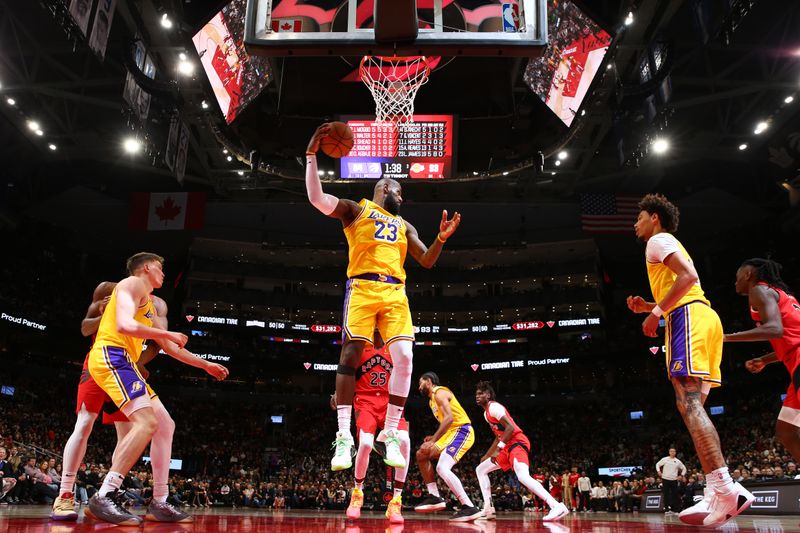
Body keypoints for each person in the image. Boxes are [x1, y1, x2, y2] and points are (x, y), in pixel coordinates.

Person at [305, 124, 461, 472]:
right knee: (351, 352)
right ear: (386, 188)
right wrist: (311, 156)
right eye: (400, 192)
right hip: (361, 287)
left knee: (404, 354)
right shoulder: (356, 209)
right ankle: (344, 435)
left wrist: (442, 238)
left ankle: (390, 431)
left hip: (395, 291)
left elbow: (427, 259)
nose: (402, 198)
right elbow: (318, 200)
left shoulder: (406, 226)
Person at [628, 194, 753, 526]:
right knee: (691, 405)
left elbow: (689, 278)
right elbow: (681, 284)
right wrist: (648, 305)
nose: (635, 224)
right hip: (702, 318)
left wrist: (654, 313)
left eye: (639, 217)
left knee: (690, 403)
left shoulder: (658, 240)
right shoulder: (664, 243)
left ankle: (727, 489)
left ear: (654, 217)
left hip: (688, 319)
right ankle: (715, 490)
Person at [85, 252, 229, 525]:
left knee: (165, 425)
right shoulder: (132, 284)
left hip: (125, 361)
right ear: (148, 268)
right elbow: (124, 325)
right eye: (161, 268)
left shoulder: (148, 303)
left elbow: (170, 347)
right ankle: (105, 494)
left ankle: (160, 502)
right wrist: (165, 334)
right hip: (111, 356)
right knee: (147, 422)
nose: (164, 273)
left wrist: (205, 364)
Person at [725, 258, 800, 460]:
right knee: (787, 431)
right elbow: (790, 339)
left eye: (737, 277)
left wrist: (726, 337)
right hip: (795, 364)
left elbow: (775, 330)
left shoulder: (759, 290)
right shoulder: (782, 295)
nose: (735, 282)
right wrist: (765, 360)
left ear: (748, 274)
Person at [337, 330, 411, 524]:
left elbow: (404, 376)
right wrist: (335, 394)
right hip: (365, 403)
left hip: (389, 403)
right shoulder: (361, 346)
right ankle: (357, 493)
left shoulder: (394, 348)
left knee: (405, 441)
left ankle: (396, 501)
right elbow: (346, 372)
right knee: (366, 445)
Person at [473, 381, 568, 521]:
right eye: (476, 394)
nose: (477, 396)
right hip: (506, 445)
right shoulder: (486, 414)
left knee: (522, 476)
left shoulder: (494, 407)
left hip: (517, 442)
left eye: (480, 393)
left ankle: (556, 506)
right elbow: (498, 436)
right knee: (481, 469)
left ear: (488, 395)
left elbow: (510, 428)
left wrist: (497, 450)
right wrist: (487, 455)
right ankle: (488, 509)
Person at [413, 372, 481, 522]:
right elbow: (447, 422)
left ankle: (469, 507)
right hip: (451, 433)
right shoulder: (432, 401)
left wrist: (434, 439)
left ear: (429, 381)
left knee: (442, 468)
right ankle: (434, 496)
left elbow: (450, 418)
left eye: (421, 383)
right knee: (421, 454)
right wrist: (434, 438)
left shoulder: (440, 392)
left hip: (462, 431)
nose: (419, 387)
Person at [656, 447, 686, 514]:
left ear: (675, 453)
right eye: (671, 451)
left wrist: (681, 475)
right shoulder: (665, 459)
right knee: (666, 495)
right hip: (665, 479)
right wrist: (658, 471)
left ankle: (676, 510)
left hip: (674, 480)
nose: (672, 452)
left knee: (675, 495)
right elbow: (657, 464)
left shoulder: (678, 461)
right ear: (669, 452)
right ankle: (667, 509)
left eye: (674, 451)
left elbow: (684, 468)